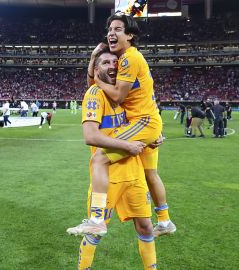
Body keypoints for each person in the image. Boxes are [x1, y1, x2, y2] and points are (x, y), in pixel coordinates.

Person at [79, 13, 175, 237]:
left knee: (100, 157)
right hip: (149, 121)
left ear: (130, 35)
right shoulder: (128, 57)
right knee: (151, 173)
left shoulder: (129, 58)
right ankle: (164, 220)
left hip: (143, 121)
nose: (111, 33)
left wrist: (97, 78)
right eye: (110, 29)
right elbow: (99, 87)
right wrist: (94, 62)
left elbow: (117, 95)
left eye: (118, 29)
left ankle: (96, 219)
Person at [67, 50, 156, 269]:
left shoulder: (124, 95)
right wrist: (128, 146)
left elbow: (139, 127)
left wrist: (152, 139)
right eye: (105, 62)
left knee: (146, 227)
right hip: (108, 178)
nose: (112, 65)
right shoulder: (95, 94)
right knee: (95, 233)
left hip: (134, 174)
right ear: (96, 70)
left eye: (115, 62)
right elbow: (90, 136)